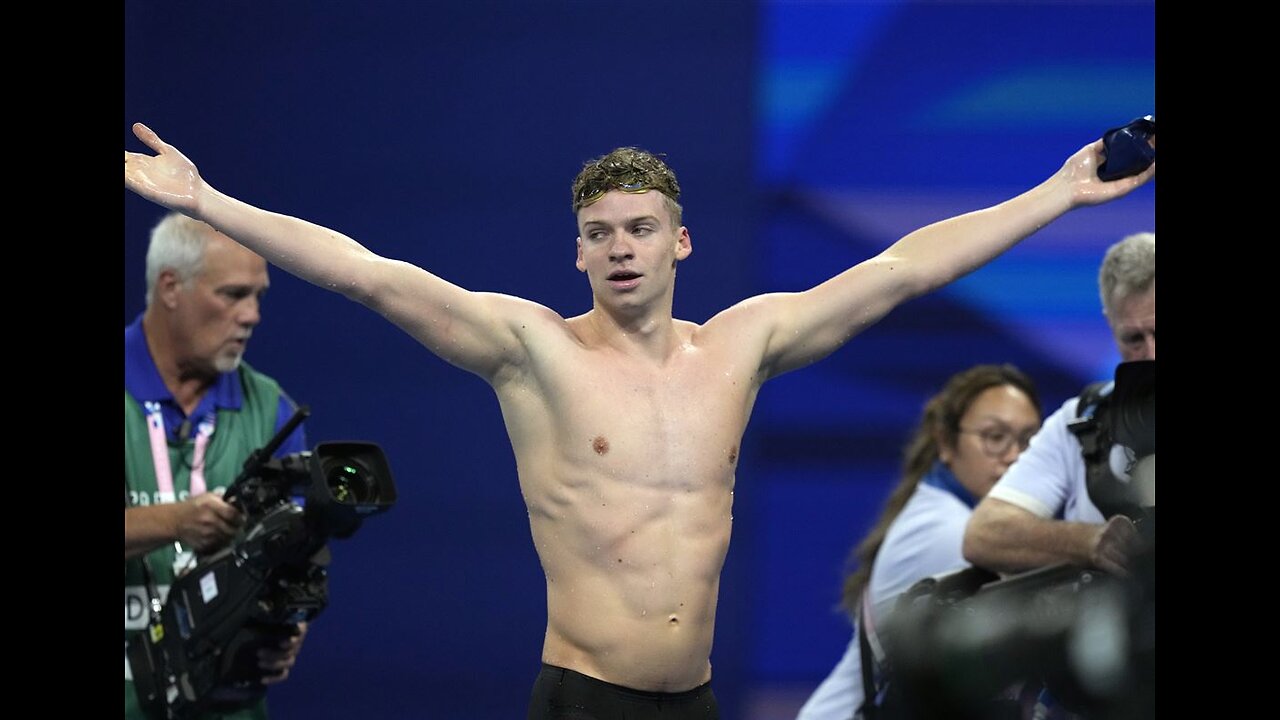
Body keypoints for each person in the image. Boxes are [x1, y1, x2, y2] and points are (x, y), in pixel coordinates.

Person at [124, 121, 1154, 719]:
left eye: (640, 230)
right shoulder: (530, 352)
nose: (620, 249)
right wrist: (207, 201)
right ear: (576, 253)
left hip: (692, 700)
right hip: (580, 699)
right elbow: (369, 274)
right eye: (598, 234)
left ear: (680, 244)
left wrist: (1056, 194)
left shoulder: (740, 347)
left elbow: (900, 269)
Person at [124, 211, 311, 720]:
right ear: (170, 287)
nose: (252, 315)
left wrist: (288, 625)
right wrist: (177, 521)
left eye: (258, 296)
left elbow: (297, 553)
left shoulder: (272, 410)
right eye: (232, 294)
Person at [795, 364, 1043, 720]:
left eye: (1029, 440)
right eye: (994, 436)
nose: (1015, 455)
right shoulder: (949, 532)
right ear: (946, 442)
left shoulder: (946, 508)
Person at [962, 232, 1154, 577]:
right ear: (1111, 327)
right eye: (1134, 339)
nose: (1151, 354)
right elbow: (984, 533)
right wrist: (1090, 541)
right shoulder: (1082, 421)